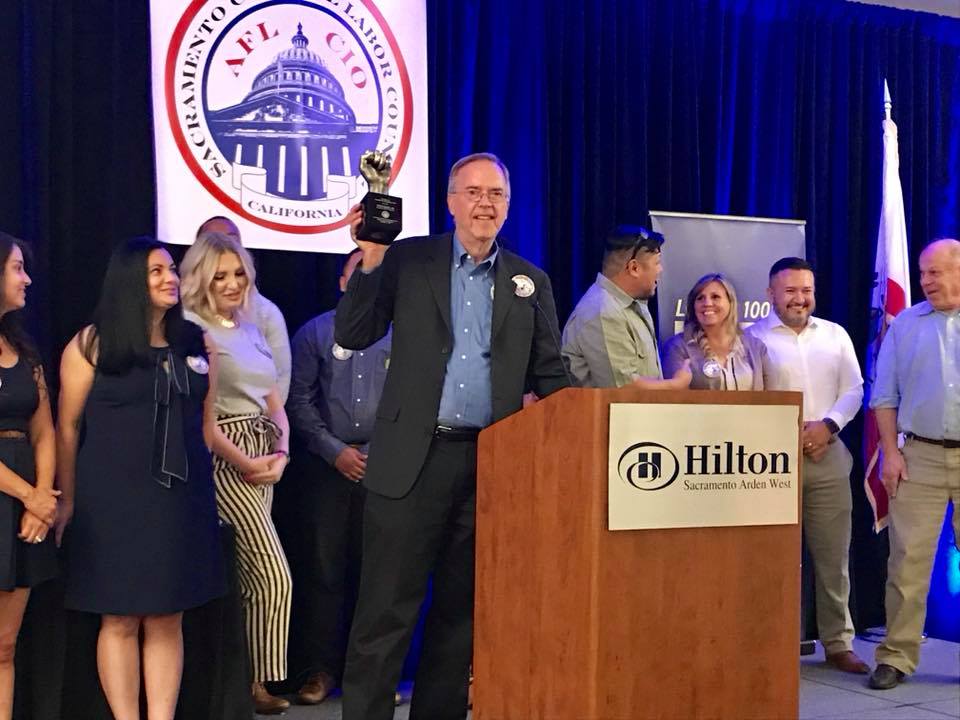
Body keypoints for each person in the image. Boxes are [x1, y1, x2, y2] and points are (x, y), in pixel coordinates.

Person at [335, 152, 569, 720]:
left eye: (495, 194)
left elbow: (552, 377)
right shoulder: (408, 258)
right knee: (384, 615)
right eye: (472, 192)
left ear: (508, 206)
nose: (484, 203)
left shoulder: (528, 282)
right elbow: (354, 330)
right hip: (409, 462)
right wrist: (368, 258)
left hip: (489, 468)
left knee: (461, 620)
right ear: (450, 201)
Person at [57, 236, 225, 720]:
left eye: (171, 269)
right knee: (119, 616)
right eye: (157, 271)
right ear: (130, 280)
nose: (171, 278)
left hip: (180, 499)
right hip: (111, 500)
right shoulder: (93, 343)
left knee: (169, 614)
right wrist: (67, 498)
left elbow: (206, 426)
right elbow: (67, 428)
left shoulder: (196, 342)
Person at [179, 231, 293, 715]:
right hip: (227, 455)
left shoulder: (248, 327)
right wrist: (245, 462)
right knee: (272, 576)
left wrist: (282, 450)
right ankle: (254, 681)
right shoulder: (194, 328)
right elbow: (203, 417)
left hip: (265, 448)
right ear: (201, 277)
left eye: (238, 273)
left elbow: (274, 400)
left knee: (249, 579)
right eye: (221, 275)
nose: (232, 283)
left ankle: (245, 686)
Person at [277, 248, 392, 705]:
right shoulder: (315, 332)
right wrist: (334, 451)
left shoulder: (404, 334)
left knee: (379, 575)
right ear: (345, 282)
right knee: (324, 573)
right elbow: (297, 401)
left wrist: (382, 453)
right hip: (326, 470)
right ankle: (319, 670)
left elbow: (415, 400)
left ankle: (371, 674)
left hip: (387, 470)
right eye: (359, 275)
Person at [746, 257, 869, 674]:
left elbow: (854, 389)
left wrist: (827, 426)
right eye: (790, 291)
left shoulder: (835, 335)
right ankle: (774, 641)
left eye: (806, 290)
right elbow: (750, 396)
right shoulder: (751, 338)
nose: (800, 299)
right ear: (770, 294)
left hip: (828, 455)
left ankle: (838, 643)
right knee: (773, 559)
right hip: (770, 462)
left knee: (833, 557)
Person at [868, 238, 960, 690]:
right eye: (922, 273)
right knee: (907, 564)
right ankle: (897, 656)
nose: (925, 281)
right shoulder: (904, 325)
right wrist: (889, 451)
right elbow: (884, 396)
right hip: (918, 456)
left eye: (935, 272)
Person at [0, 233, 58, 719]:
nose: (27, 279)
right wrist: (30, 496)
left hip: (22, 509)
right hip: (13, 495)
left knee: (5, 645)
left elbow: (44, 429)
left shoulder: (22, 347)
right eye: (17, 268)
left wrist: (42, 494)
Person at [561, 225, 691, 389]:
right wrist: (676, 385)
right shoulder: (604, 312)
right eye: (657, 263)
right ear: (634, 268)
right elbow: (624, 389)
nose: (661, 270)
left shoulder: (633, 305)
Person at [196, 216, 291, 401]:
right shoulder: (184, 312)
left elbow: (280, 379)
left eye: (231, 240)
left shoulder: (267, 314)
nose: (224, 247)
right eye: (213, 240)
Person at [662, 272, 772, 389]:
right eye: (700, 298)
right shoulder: (677, 348)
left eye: (715, 297)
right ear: (693, 305)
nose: (707, 303)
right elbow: (675, 400)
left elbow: (771, 398)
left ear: (730, 303)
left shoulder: (756, 347)